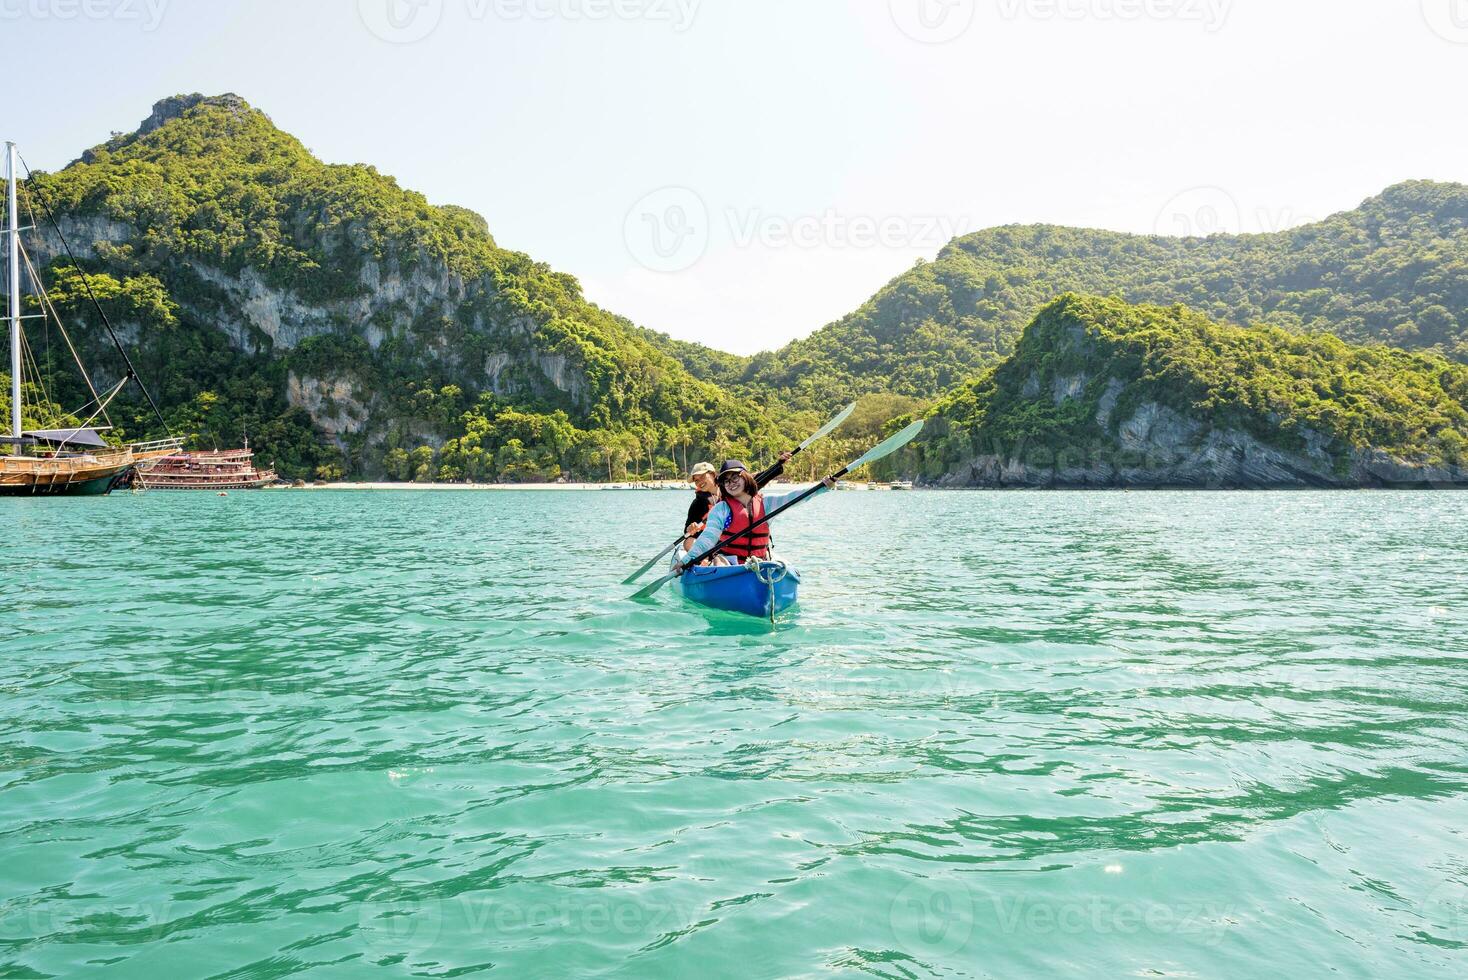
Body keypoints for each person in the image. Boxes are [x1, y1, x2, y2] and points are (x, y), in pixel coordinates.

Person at [684, 459, 835, 566]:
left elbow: (793, 498)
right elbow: (708, 539)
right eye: (727, 481)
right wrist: (687, 561)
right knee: (719, 561)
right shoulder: (721, 508)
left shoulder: (766, 503)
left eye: (735, 477)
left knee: (767, 564)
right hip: (728, 562)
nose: (731, 483)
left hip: (758, 562)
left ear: (746, 478)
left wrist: (822, 487)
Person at [682, 452, 793, 552]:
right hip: (712, 542)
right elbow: (687, 532)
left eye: (702, 477)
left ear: (712, 474)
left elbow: (761, 478)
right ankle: (703, 564)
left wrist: (778, 464)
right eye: (696, 480)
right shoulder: (698, 503)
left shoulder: (733, 487)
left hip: (738, 540)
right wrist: (690, 529)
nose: (700, 482)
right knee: (688, 542)